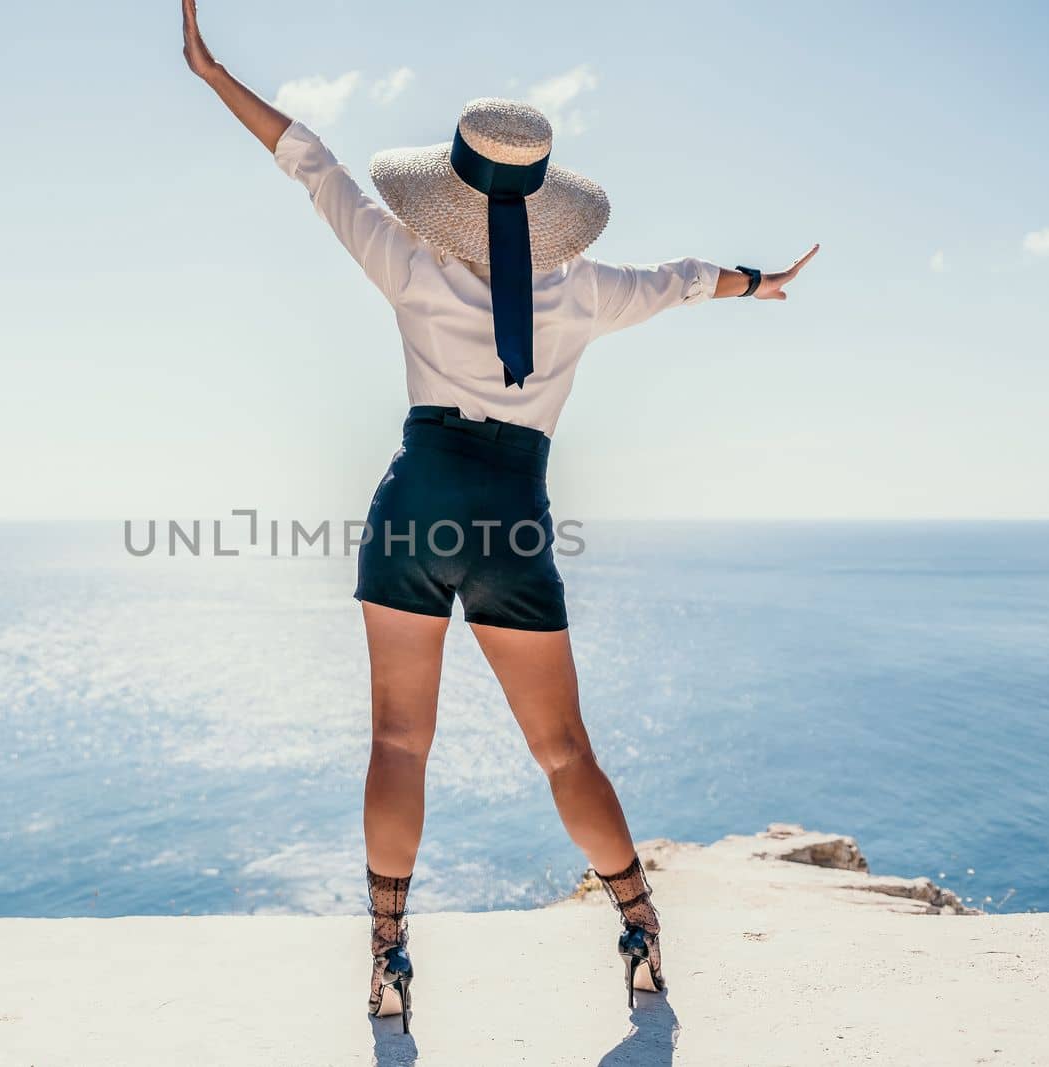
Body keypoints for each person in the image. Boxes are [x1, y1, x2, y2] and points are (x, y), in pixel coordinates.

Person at [181, 0, 818, 1030]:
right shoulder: (586, 290)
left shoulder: (408, 259)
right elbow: (686, 279)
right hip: (513, 514)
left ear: (451, 188)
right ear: (544, 198)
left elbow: (309, 159)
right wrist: (758, 284)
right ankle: (641, 929)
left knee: (398, 740)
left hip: (417, 499)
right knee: (564, 746)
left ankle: (387, 954)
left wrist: (212, 73)